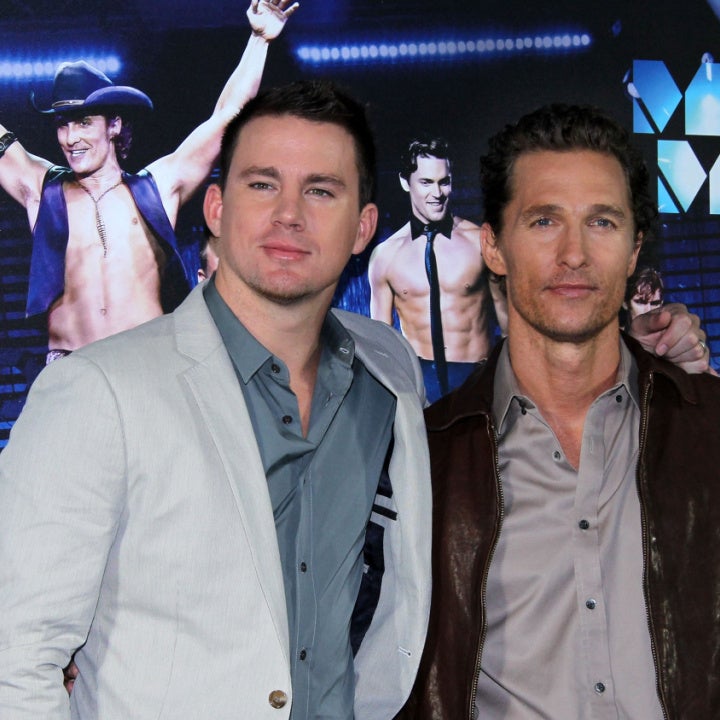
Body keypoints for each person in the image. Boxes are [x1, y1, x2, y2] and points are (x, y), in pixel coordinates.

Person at [0, 80, 431, 719]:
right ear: (217, 209)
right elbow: (14, 661)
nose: (289, 214)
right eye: (262, 184)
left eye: (321, 190)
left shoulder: (388, 368)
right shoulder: (92, 392)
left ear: (363, 226)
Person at [400, 104, 719, 719]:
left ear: (634, 250)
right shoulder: (423, 462)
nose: (574, 253)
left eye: (602, 222)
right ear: (494, 246)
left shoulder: (708, 428)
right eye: (544, 221)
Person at [0, 0, 297, 362]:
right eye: (63, 125)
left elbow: (228, 116)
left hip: (148, 362)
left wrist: (259, 40)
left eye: (84, 123)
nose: (71, 138)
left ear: (114, 125)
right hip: (71, 365)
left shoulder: (157, 187)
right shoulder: (43, 190)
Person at [368, 136, 507, 402]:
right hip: (419, 383)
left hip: (477, 378)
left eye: (444, 182)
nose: (438, 193)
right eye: (426, 182)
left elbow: (509, 327)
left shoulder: (480, 243)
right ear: (405, 182)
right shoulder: (385, 257)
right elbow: (380, 346)